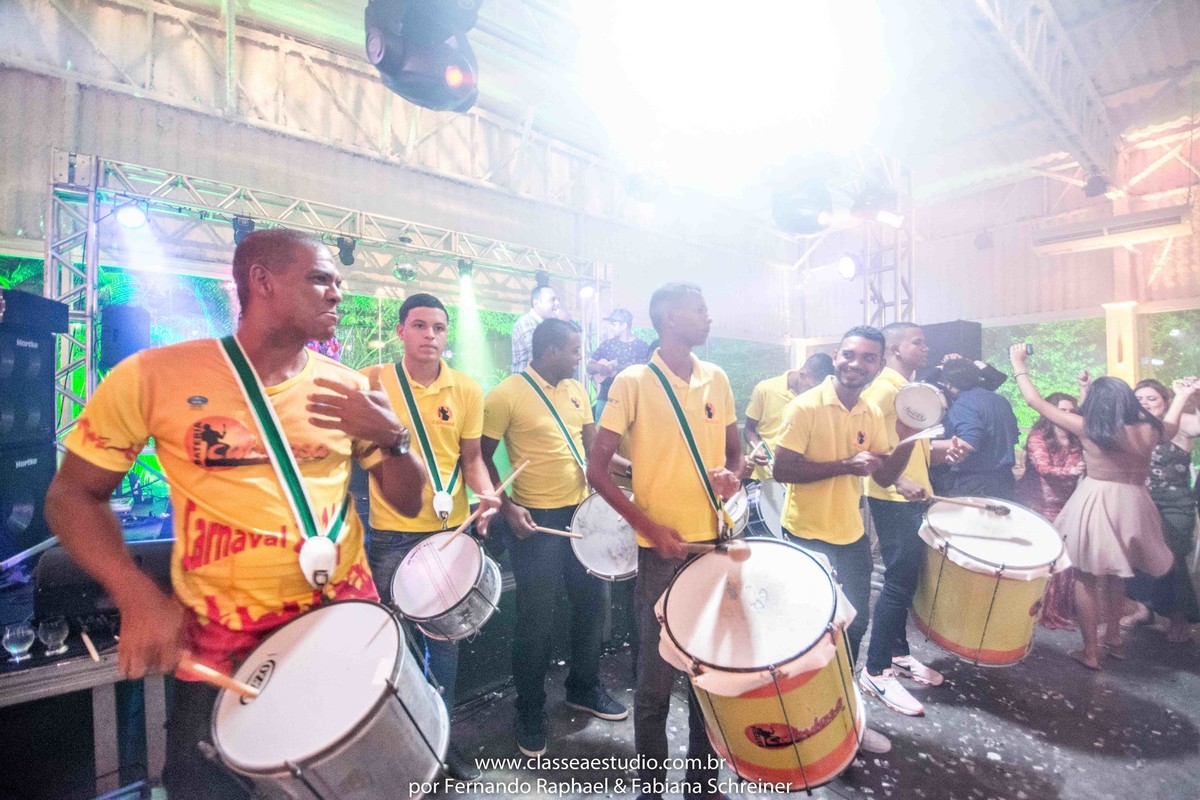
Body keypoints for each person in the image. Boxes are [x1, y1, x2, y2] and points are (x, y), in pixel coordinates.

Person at [42, 229, 427, 799]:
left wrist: (394, 438)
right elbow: (71, 495)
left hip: (344, 630)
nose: (337, 293)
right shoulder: (155, 376)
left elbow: (409, 501)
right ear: (262, 282)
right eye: (320, 279)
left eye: (338, 282)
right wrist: (134, 592)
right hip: (221, 652)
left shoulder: (350, 388)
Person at [586, 282, 744, 800]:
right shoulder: (632, 381)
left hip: (713, 548)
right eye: (700, 310)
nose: (708, 317)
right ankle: (650, 790)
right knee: (654, 683)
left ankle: (702, 787)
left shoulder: (717, 378)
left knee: (707, 676)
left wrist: (733, 477)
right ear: (670, 318)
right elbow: (597, 470)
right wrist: (651, 529)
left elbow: (736, 453)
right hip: (660, 557)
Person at [359, 292, 500, 780]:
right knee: (394, 645)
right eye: (419, 326)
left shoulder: (466, 389)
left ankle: (441, 741)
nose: (430, 336)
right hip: (393, 536)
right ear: (401, 331)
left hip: (450, 534)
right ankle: (399, 750)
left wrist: (486, 495)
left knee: (445, 645)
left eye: (439, 328)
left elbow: (472, 458)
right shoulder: (372, 381)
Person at [482, 318, 629, 758]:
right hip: (536, 521)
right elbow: (480, 459)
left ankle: (583, 687)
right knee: (536, 620)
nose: (580, 357)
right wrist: (507, 506)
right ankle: (529, 709)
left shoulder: (577, 390)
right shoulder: (505, 395)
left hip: (581, 516)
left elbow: (594, 450)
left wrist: (636, 472)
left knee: (592, 606)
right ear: (549, 350)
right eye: (574, 350)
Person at [772, 325, 923, 752]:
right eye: (849, 355)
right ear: (836, 356)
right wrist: (844, 465)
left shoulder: (870, 413)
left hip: (850, 534)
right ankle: (800, 719)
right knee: (809, 631)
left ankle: (841, 717)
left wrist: (910, 437)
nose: (856, 364)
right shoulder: (805, 407)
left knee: (853, 627)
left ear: (878, 364)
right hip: (806, 534)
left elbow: (885, 476)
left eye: (868, 358)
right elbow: (782, 470)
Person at [1009, 345, 1195, 669]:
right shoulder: (1150, 429)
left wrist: (1018, 364)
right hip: (1135, 502)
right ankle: (1114, 639)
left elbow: (1035, 402)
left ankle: (1091, 652)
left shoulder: (1088, 428)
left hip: (1097, 501)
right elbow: (1172, 424)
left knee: (1086, 578)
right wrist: (1182, 395)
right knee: (1118, 574)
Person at [858, 323, 966, 717]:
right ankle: (875, 670)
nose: (926, 347)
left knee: (906, 580)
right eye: (917, 342)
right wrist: (898, 479)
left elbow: (907, 448)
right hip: (892, 497)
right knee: (899, 582)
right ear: (894, 348)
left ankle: (898, 654)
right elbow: (862, 442)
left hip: (914, 495)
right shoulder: (885, 389)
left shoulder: (909, 391)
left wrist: (941, 452)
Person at [1124, 379, 1200, 642]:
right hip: (1139, 499)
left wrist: (1195, 397)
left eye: (1151, 398)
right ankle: (1144, 609)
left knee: (1171, 559)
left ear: (1166, 402)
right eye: (1139, 399)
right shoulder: (1132, 426)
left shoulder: (1180, 422)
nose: (1144, 403)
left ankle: (1180, 618)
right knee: (1136, 558)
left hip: (1174, 503)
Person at [1016, 392, 1085, 630]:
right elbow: (1043, 468)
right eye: (1062, 410)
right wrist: (1070, 472)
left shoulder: (1077, 438)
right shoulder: (1038, 436)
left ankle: (1060, 610)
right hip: (1039, 503)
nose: (1067, 415)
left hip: (1067, 503)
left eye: (1071, 411)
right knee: (1047, 557)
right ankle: (1042, 610)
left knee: (1066, 559)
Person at [743, 353, 834, 481]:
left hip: (796, 474)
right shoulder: (765, 389)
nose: (816, 392)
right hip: (763, 475)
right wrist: (757, 449)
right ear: (803, 375)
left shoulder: (818, 398)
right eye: (813, 387)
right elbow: (749, 429)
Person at [940, 357, 1020, 500]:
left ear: (947, 383)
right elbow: (1014, 436)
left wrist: (925, 447)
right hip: (1006, 481)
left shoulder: (963, 404)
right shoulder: (1001, 400)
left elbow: (967, 443)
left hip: (975, 484)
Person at [587, 308, 651, 420]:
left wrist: (617, 367)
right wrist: (600, 368)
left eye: (614, 324)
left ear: (624, 325)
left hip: (630, 399)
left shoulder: (641, 347)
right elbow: (589, 366)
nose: (611, 327)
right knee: (599, 428)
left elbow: (646, 372)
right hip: (605, 397)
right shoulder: (607, 344)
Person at [511, 285, 560, 373]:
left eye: (557, 299)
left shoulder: (547, 325)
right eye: (552, 300)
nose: (557, 303)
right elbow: (541, 355)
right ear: (536, 303)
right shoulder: (526, 322)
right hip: (526, 380)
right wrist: (562, 323)